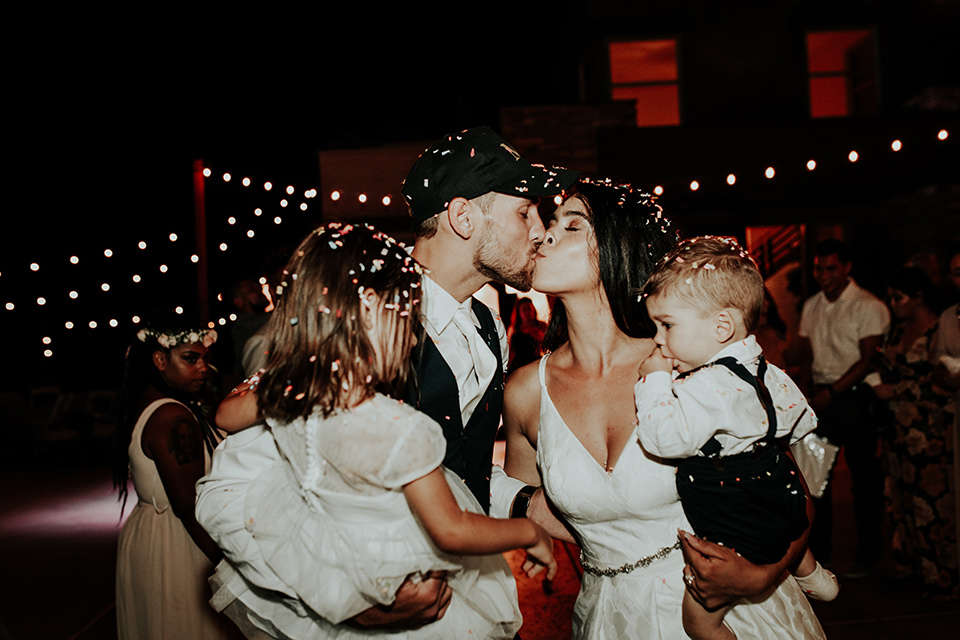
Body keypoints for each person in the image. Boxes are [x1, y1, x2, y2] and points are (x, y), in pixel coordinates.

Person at [195, 125, 578, 636]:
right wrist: (352, 604)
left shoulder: (488, 326)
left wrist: (525, 505)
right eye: (524, 210)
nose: (539, 229)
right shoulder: (366, 328)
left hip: (456, 582)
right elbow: (246, 470)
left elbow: (456, 468)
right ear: (463, 217)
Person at [503, 178, 826, 639]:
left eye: (572, 225)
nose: (546, 234)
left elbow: (789, 489)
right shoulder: (525, 391)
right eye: (550, 223)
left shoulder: (685, 363)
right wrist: (596, 536)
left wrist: (760, 575)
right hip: (611, 616)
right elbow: (517, 499)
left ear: (619, 247)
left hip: (730, 611)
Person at [634, 236, 837, 639]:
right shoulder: (769, 371)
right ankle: (812, 572)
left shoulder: (703, 386)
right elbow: (803, 423)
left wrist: (654, 381)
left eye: (667, 325)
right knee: (786, 518)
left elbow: (662, 439)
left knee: (698, 622)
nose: (657, 338)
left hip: (733, 514)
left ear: (721, 326)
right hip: (780, 492)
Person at [113, 313, 238, 640]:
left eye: (204, 359)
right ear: (159, 359)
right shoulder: (172, 415)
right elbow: (187, 505)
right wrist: (231, 563)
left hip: (153, 531)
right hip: (179, 540)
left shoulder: (155, 403)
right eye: (190, 359)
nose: (202, 368)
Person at [797, 238, 890, 578]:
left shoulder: (867, 304)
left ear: (847, 267)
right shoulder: (812, 305)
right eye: (819, 268)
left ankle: (869, 554)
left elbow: (869, 360)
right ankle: (819, 556)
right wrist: (806, 391)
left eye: (830, 268)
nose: (823, 275)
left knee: (864, 480)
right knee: (815, 479)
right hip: (822, 395)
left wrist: (833, 392)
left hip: (856, 394)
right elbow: (806, 354)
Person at [872, 266, 957, 600]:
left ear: (919, 297)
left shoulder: (939, 328)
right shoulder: (898, 329)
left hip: (929, 428)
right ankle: (910, 567)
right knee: (900, 498)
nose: (893, 304)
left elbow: (943, 378)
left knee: (932, 503)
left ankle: (942, 578)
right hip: (897, 428)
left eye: (899, 297)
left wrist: (900, 389)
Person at [507, 297, 547, 373]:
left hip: (536, 365)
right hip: (518, 366)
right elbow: (510, 352)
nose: (527, 312)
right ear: (519, 312)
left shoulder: (540, 326)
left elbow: (547, 347)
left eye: (529, 309)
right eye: (524, 309)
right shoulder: (514, 329)